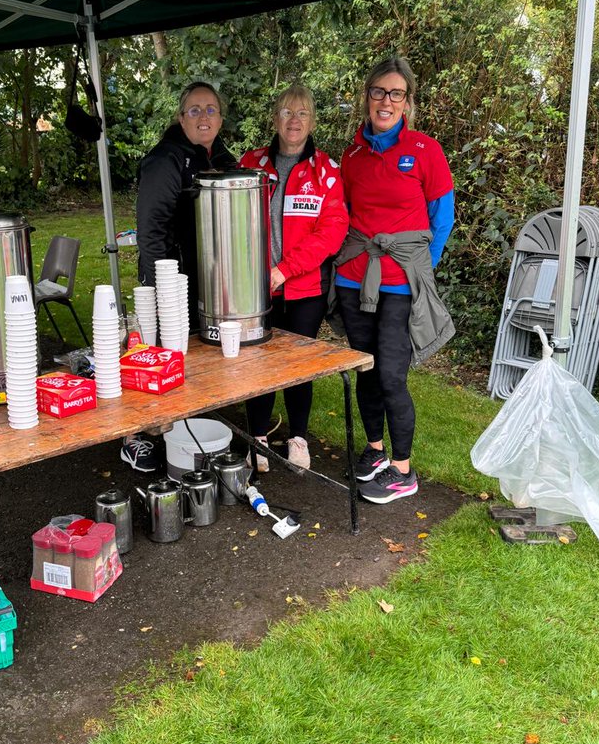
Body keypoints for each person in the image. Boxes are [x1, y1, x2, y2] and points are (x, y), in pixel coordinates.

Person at [334, 57, 454, 504]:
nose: (386, 101)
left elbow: (443, 217)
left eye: (396, 94)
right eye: (379, 92)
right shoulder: (352, 155)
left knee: (390, 374)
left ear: (408, 102)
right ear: (367, 97)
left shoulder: (425, 150)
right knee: (366, 368)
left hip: (401, 283)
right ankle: (375, 450)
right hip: (354, 278)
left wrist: (421, 266)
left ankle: (403, 471)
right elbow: (344, 212)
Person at [121, 81, 236, 472]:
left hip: (207, 280)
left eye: (210, 110)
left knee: (192, 362)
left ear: (220, 118)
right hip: (170, 281)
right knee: (159, 356)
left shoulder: (222, 158)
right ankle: (135, 437)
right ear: (181, 117)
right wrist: (160, 290)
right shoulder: (166, 160)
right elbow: (151, 231)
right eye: (194, 110)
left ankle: (183, 432)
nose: (203, 117)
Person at [238, 84, 348, 471]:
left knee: (298, 366)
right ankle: (258, 437)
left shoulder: (326, 171)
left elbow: (332, 232)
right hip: (256, 286)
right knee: (257, 362)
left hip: (304, 289)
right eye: (286, 112)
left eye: (302, 113)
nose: (294, 120)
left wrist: (285, 270)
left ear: (312, 121)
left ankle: (298, 437)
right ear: (275, 119)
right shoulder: (250, 163)